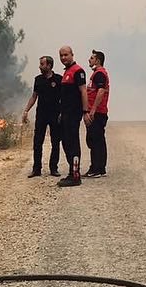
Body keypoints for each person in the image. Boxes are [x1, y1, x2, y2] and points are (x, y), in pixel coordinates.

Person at [22, 55, 63, 178]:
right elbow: (34, 96)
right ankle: (36, 169)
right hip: (41, 115)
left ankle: (53, 168)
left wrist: (62, 112)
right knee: (37, 142)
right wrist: (26, 111)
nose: (40, 67)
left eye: (42, 64)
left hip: (55, 115)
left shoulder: (58, 79)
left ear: (49, 65)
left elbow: (63, 98)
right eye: (40, 64)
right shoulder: (38, 79)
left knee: (55, 142)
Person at [56, 45, 88, 187]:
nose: (63, 58)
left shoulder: (78, 71)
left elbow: (83, 92)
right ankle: (71, 172)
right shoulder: (66, 72)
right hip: (65, 114)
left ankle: (75, 176)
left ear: (72, 55)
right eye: (61, 55)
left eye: (66, 55)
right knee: (66, 142)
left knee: (73, 143)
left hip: (74, 114)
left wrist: (85, 111)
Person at [84, 49, 110, 177]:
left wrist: (92, 110)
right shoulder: (96, 74)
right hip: (96, 111)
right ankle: (98, 168)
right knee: (94, 139)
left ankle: (97, 169)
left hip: (98, 113)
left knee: (96, 140)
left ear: (98, 60)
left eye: (92, 58)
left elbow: (100, 91)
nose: (89, 60)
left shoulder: (100, 74)